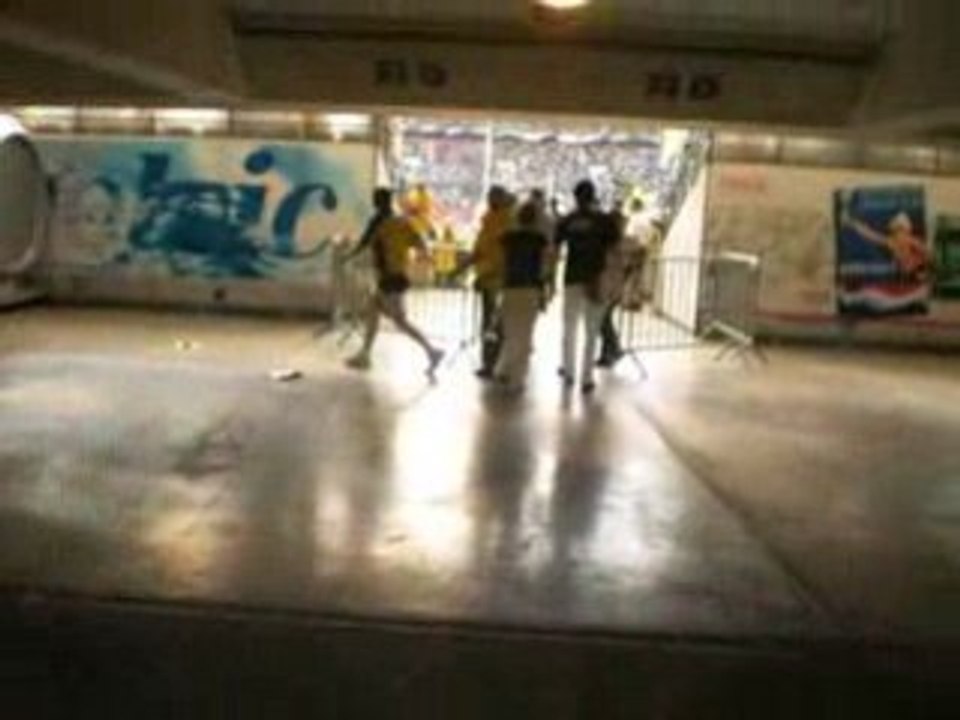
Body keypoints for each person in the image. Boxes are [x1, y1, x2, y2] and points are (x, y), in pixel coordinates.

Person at [345, 187, 444, 375]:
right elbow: (420, 241)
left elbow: (364, 243)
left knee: (400, 321)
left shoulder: (379, 222)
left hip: (389, 278)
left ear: (378, 201)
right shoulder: (402, 222)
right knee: (372, 309)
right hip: (397, 276)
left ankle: (432, 351)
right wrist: (425, 257)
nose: (374, 202)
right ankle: (365, 354)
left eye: (375, 199)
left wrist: (349, 256)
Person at [554, 180, 617, 394]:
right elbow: (614, 248)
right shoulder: (604, 221)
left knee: (569, 328)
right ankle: (587, 378)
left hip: (572, 278)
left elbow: (555, 246)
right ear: (593, 196)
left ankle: (568, 371)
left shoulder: (568, 220)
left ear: (576, 197)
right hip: (596, 280)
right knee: (591, 332)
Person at [496, 202, 552, 393]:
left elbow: (502, 264)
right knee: (525, 335)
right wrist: (545, 293)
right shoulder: (540, 240)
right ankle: (516, 379)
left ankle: (503, 369)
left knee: (510, 333)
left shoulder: (506, 238)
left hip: (510, 288)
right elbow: (544, 269)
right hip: (530, 289)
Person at [465, 185, 516, 379]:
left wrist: (487, 274)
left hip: (501, 283)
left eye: (494, 197)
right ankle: (489, 363)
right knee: (489, 325)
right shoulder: (488, 221)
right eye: (489, 197)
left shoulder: (508, 223)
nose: (490, 200)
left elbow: (504, 257)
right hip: (487, 282)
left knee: (498, 326)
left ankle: (499, 364)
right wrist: (459, 270)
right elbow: (479, 251)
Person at [597, 201, 627, 367]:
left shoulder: (618, 241)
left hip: (611, 286)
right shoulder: (614, 240)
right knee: (604, 319)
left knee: (603, 320)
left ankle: (614, 349)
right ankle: (607, 354)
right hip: (610, 285)